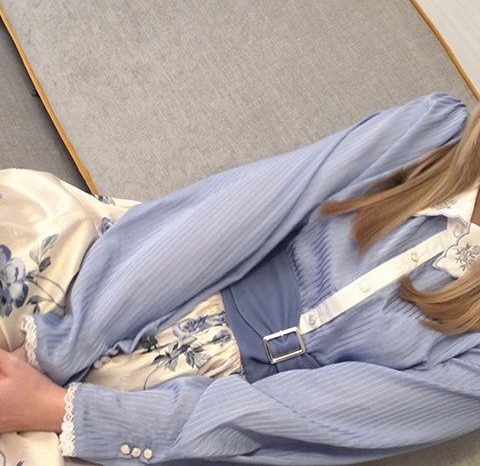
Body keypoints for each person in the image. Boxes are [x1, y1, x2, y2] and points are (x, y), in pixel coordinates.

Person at [1, 91, 480, 466]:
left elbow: (300, 419)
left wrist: (59, 408)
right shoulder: (434, 131)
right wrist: (58, 347)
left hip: (208, 421)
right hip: (156, 281)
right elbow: (235, 216)